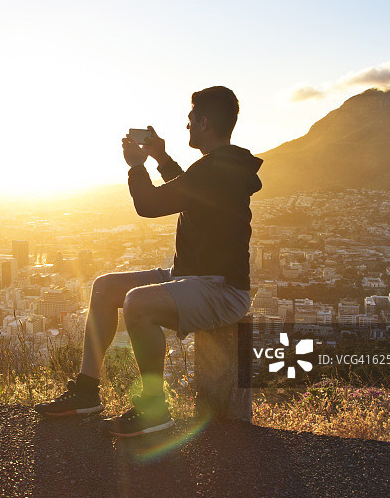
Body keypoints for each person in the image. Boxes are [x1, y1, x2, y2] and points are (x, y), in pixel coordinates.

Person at [35, 86, 263, 437]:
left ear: (204, 122)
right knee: (105, 288)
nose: (187, 127)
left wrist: (137, 167)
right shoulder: (221, 167)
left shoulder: (218, 169)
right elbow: (190, 188)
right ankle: (85, 392)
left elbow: (150, 205)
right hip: (193, 276)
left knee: (137, 303)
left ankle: (154, 410)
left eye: (190, 120)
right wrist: (161, 158)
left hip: (221, 289)